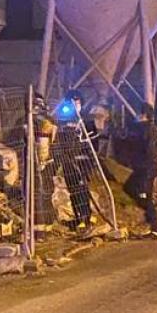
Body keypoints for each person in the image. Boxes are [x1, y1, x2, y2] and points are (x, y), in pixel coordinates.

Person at [115, 105, 157, 239]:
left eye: (137, 114)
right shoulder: (145, 129)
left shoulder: (147, 130)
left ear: (143, 115)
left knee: (145, 197)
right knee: (129, 188)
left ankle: (155, 228)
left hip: (145, 170)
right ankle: (149, 215)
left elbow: (148, 151)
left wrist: (146, 169)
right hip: (142, 169)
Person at [53, 91, 96, 230]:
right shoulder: (63, 119)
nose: (74, 106)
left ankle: (85, 217)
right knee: (73, 190)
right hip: (68, 161)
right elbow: (59, 140)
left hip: (81, 161)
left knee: (81, 189)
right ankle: (78, 218)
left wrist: (90, 161)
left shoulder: (86, 120)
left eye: (77, 102)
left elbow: (93, 142)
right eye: (71, 102)